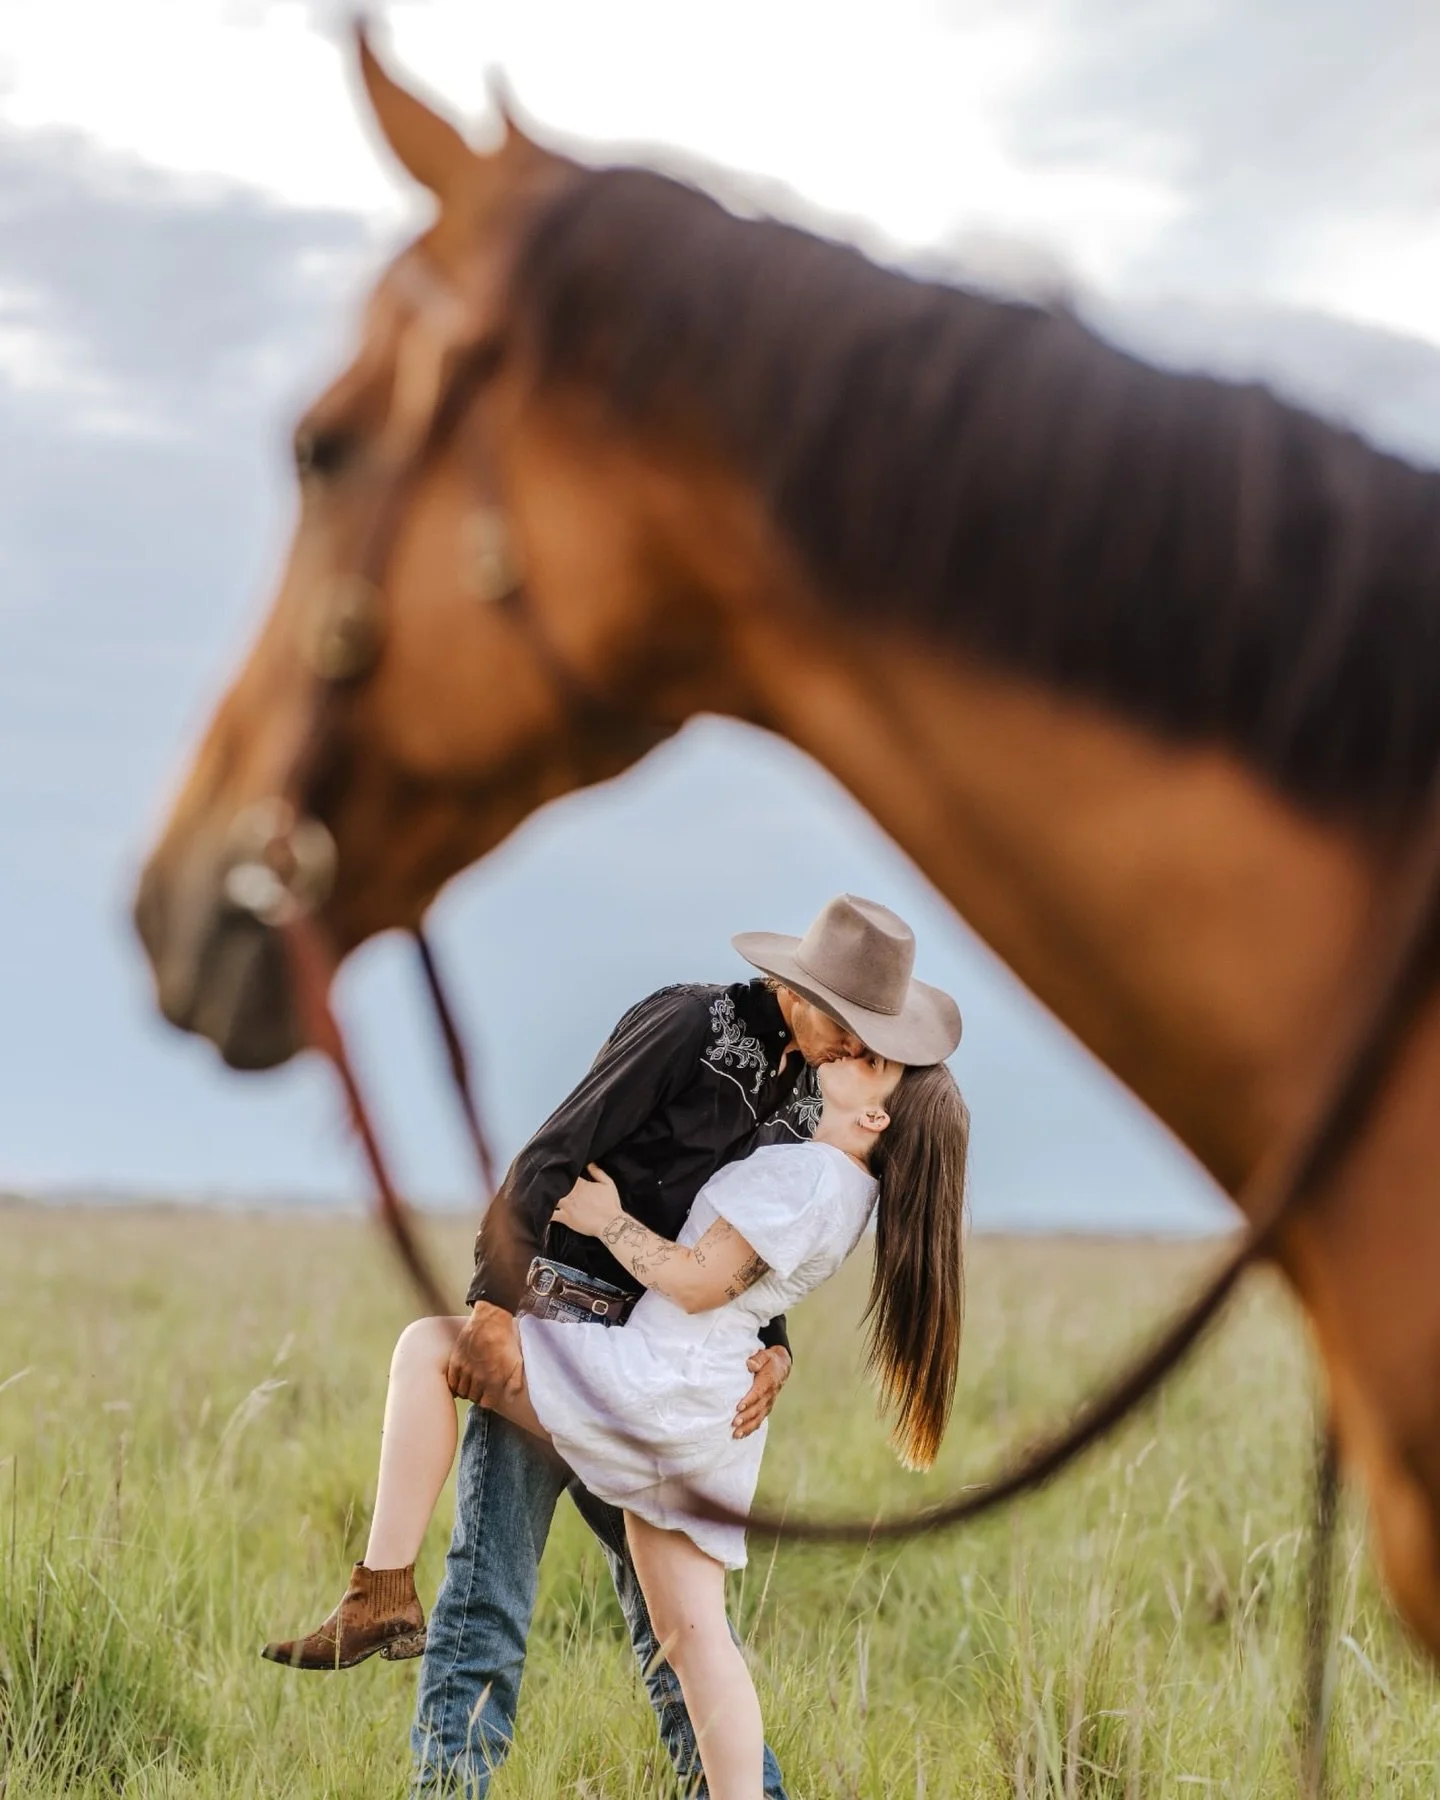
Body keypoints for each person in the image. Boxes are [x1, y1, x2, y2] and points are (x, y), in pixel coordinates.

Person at [264, 894, 962, 1800]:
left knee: (670, 1630)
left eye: (872, 1042)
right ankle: (443, 1776)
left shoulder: (811, 1097)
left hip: (653, 1366)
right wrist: (494, 1305)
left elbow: (747, 1251)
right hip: (554, 1319)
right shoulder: (689, 1025)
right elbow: (553, 1154)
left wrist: (777, 1346)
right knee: (494, 1594)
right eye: (853, 1026)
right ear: (800, 990)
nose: (856, 1049)